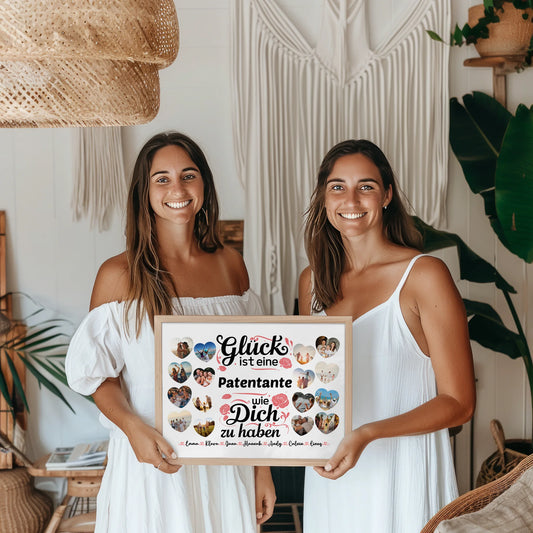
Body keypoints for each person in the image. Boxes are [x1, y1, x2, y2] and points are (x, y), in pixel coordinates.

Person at [66, 131, 275, 533]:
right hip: (153, 463)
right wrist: (132, 428)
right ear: (144, 193)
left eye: (188, 175)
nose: (177, 189)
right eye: (161, 179)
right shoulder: (118, 274)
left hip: (226, 462)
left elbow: (254, 375)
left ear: (204, 184)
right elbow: (98, 376)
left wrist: (261, 469)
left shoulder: (231, 264)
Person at [298, 139, 475, 533]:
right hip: (331, 477)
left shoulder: (424, 275)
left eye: (366, 186)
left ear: (387, 195)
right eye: (338, 187)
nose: (351, 200)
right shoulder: (311, 282)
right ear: (324, 198)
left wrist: (368, 434)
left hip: (402, 475)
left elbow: (459, 403)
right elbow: (306, 387)